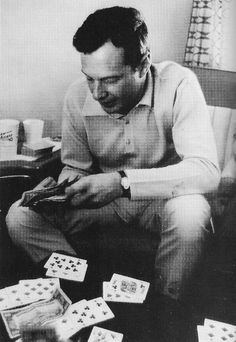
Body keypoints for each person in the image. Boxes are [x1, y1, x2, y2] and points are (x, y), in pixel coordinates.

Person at [6, 6, 220, 300]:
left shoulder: (179, 83)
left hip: (165, 199)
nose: (96, 93)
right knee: (20, 216)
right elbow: (76, 166)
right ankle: (81, 286)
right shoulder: (77, 95)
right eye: (89, 78)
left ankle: (165, 305)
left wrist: (122, 182)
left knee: (189, 215)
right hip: (104, 203)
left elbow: (206, 170)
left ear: (143, 65)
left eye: (109, 80)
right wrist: (65, 187)